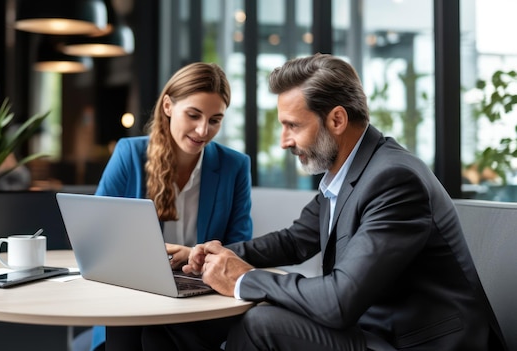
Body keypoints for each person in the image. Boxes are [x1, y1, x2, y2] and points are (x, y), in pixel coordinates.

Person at [140, 53, 508, 350]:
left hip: (412, 343)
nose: (284, 141)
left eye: (293, 126)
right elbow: (294, 240)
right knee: (175, 325)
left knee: (260, 322)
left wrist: (244, 278)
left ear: (336, 119)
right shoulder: (347, 171)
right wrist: (203, 255)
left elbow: (338, 301)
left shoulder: (394, 180)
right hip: (374, 330)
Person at [85, 62, 253, 351]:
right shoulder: (130, 154)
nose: (203, 130)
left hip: (201, 298)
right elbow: (94, 237)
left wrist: (196, 258)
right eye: (193, 115)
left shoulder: (234, 166)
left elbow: (238, 246)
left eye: (215, 120)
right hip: (135, 294)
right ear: (167, 106)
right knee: (139, 330)